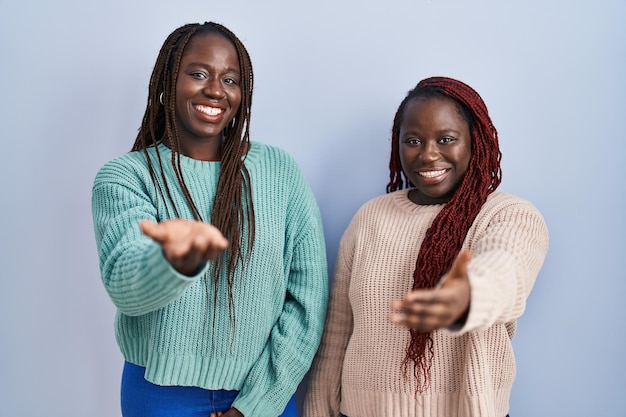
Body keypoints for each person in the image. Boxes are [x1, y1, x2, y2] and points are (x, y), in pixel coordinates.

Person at [91, 22, 328, 417]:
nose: (216, 90)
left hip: (262, 391)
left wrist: (256, 405)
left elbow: (307, 299)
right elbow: (124, 287)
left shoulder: (280, 173)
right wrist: (172, 261)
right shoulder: (126, 176)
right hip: (159, 394)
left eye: (230, 79)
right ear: (168, 80)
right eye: (198, 73)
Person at [302, 76, 549, 417]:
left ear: (475, 142)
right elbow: (337, 334)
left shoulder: (507, 214)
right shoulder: (370, 217)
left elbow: (505, 268)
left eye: (446, 139)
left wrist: (466, 296)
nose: (429, 154)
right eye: (413, 140)